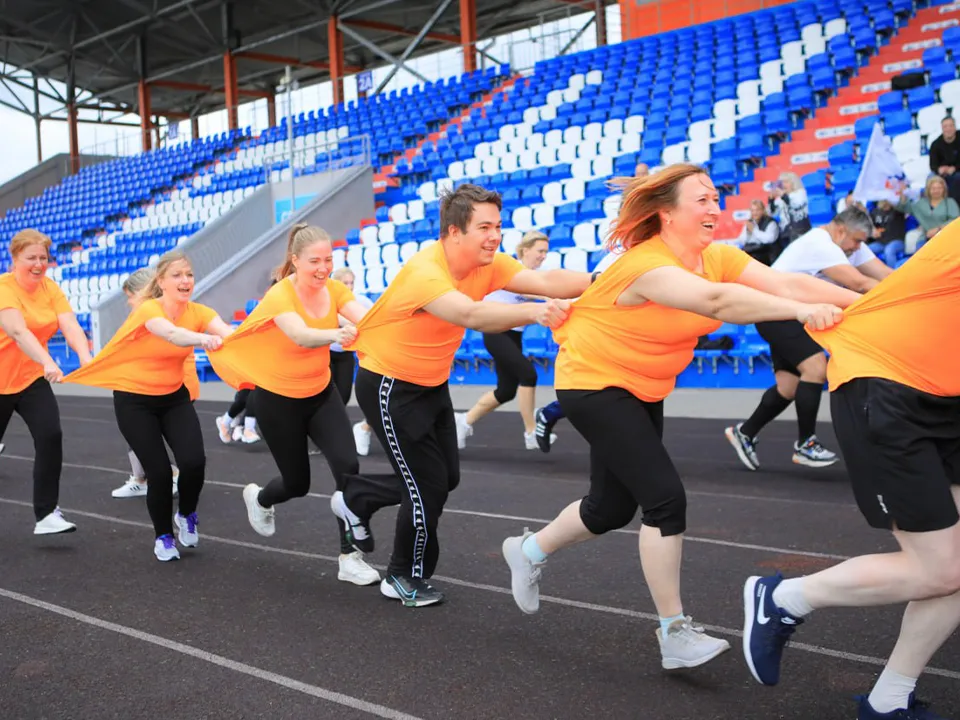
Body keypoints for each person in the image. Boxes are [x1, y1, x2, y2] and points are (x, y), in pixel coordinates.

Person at [499, 164, 857, 671]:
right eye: (702, 200)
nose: (715, 207)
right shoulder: (644, 265)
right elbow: (717, 301)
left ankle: (528, 550)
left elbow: (789, 283)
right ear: (666, 214)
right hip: (593, 383)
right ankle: (673, 632)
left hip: (643, 385)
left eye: (717, 197)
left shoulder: (717, 256)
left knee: (609, 509)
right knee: (665, 500)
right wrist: (797, 313)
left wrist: (867, 304)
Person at [328, 183, 591, 607]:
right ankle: (401, 576)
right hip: (390, 385)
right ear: (454, 232)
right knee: (426, 488)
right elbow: (467, 314)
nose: (494, 235)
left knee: (444, 479)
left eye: (498, 226)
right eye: (484, 227)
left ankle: (357, 498)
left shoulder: (489, 263)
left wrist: (599, 281)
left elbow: (544, 280)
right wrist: (534, 312)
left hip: (431, 383)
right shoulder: (425, 272)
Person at [742, 223, 960, 720]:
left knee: (956, 565)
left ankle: (889, 700)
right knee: (941, 569)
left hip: (943, 394)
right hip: (886, 384)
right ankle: (784, 596)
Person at [208, 223, 392, 586]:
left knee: (348, 467)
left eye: (328, 259)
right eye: (314, 261)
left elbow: (368, 319)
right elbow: (300, 335)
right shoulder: (280, 295)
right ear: (295, 261)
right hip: (278, 402)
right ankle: (260, 499)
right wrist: (335, 334)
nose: (323, 268)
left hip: (321, 395)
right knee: (297, 483)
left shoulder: (336, 289)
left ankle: (348, 557)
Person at [64, 250, 233, 561]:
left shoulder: (199, 311)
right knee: (157, 472)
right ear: (161, 281)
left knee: (194, 462)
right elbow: (171, 334)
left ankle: (186, 514)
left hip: (173, 397)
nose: (185, 281)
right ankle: (164, 537)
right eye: (177, 275)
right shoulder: (148, 311)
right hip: (134, 400)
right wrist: (200, 339)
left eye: (189, 275)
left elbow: (227, 332)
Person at [724, 207, 891, 471]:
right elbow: (859, 283)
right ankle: (806, 445)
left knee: (789, 387)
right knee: (815, 368)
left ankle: (745, 432)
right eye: (856, 241)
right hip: (775, 311)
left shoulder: (849, 243)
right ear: (840, 230)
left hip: (792, 313)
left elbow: (884, 274)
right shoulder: (819, 244)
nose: (858, 248)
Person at [0, 228, 92, 535]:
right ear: (14, 258)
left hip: (29, 379)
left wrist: (85, 357)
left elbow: (69, 323)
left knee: (50, 435)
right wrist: (49, 361)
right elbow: (17, 331)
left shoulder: (50, 288)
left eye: (44, 257)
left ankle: (46, 513)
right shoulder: (4, 288)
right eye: (31, 258)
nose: (39, 264)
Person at [457, 230, 556, 451]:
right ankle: (531, 431)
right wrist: (551, 298)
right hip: (495, 331)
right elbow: (537, 292)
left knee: (506, 391)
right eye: (540, 251)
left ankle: (463, 421)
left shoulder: (536, 276)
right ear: (525, 250)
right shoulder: (513, 270)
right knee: (528, 374)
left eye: (546, 252)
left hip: (514, 335)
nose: (543, 256)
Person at [110, 267, 182, 499]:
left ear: (141, 293)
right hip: (134, 387)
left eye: (130, 297)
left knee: (151, 436)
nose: (128, 303)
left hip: (161, 388)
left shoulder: (159, 315)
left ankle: (169, 475)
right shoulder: (141, 317)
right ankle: (142, 478)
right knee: (137, 433)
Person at [328, 267, 376, 456]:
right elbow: (339, 320)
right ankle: (330, 434)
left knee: (345, 394)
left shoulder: (360, 301)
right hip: (328, 352)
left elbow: (374, 317)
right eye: (345, 283)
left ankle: (333, 431)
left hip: (346, 353)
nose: (349, 286)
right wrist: (357, 323)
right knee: (330, 395)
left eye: (351, 283)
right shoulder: (328, 301)